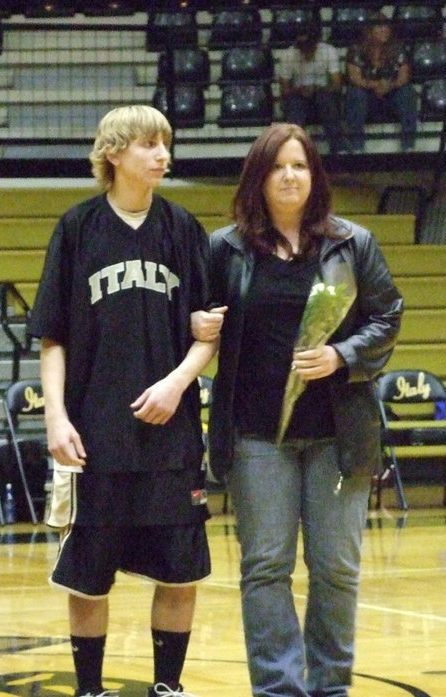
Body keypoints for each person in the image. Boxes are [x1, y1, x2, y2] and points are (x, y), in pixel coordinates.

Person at [28, 104, 224, 697]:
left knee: (181, 571)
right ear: (113, 153)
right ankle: (90, 689)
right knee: (88, 578)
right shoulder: (77, 228)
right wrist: (56, 417)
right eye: (148, 144)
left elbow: (209, 332)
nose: (163, 155)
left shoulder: (183, 228)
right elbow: (53, 336)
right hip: (96, 436)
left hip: (171, 434)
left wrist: (177, 383)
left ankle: (168, 686)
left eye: (165, 143)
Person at [206, 123, 403, 697]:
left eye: (299, 165)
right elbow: (198, 322)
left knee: (336, 568)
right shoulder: (226, 249)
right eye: (277, 166)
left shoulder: (353, 243)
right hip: (256, 436)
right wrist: (197, 322)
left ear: (314, 175)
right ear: (258, 178)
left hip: (338, 435)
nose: (289, 176)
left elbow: (388, 316)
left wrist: (342, 355)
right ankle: (277, 688)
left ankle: (331, 687)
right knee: (266, 567)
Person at [343, 11, 417, 152]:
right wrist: (376, 84)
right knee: (355, 93)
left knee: (407, 92)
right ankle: (357, 147)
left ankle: (408, 147)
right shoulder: (356, 49)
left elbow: (404, 76)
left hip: (392, 94)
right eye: (380, 27)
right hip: (367, 95)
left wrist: (390, 85)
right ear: (369, 31)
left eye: (387, 27)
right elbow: (354, 78)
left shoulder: (398, 48)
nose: (385, 30)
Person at [277, 22, 345, 155]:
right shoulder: (288, 55)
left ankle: (338, 149)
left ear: (315, 43)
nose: (305, 50)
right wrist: (299, 90)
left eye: (308, 46)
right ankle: (295, 151)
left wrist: (319, 88)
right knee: (294, 106)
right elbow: (284, 90)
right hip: (298, 96)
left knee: (326, 102)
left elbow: (337, 85)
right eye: (302, 47)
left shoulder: (328, 51)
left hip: (324, 94)